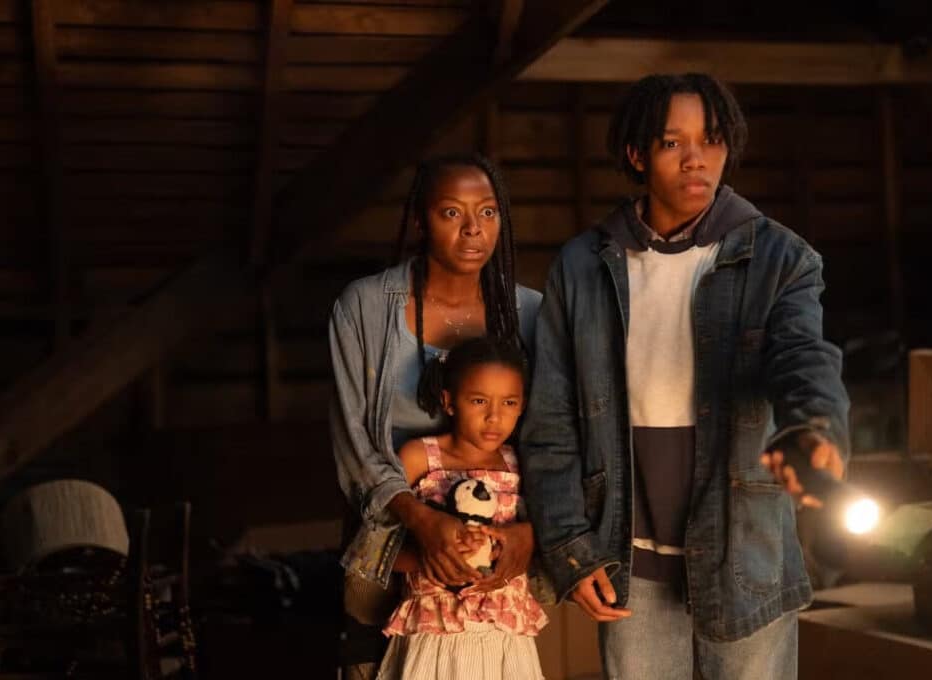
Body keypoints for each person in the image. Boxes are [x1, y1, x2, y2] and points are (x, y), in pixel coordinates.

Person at [519, 73, 850, 679]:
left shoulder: (781, 259)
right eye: (673, 143)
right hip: (628, 562)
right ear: (636, 154)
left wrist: (816, 426)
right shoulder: (582, 266)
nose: (696, 159)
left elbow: (804, 356)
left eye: (712, 140)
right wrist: (570, 545)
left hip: (744, 555)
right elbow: (551, 422)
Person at [329, 153, 542, 679]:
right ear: (421, 221)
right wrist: (423, 522)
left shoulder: (533, 315)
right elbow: (353, 443)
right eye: (452, 212)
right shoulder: (364, 308)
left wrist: (529, 534)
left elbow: (555, 442)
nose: (473, 229)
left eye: (488, 212)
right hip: (391, 553)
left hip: (494, 569)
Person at [377, 336, 547, 679]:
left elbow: (541, 544)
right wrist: (435, 556)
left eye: (509, 402)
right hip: (434, 636)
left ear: (523, 405)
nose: (494, 417)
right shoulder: (419, 457)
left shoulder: (522, 465)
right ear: (449, 401)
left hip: (503, 638)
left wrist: (502, 552)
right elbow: (373, 550)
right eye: (479, 401)